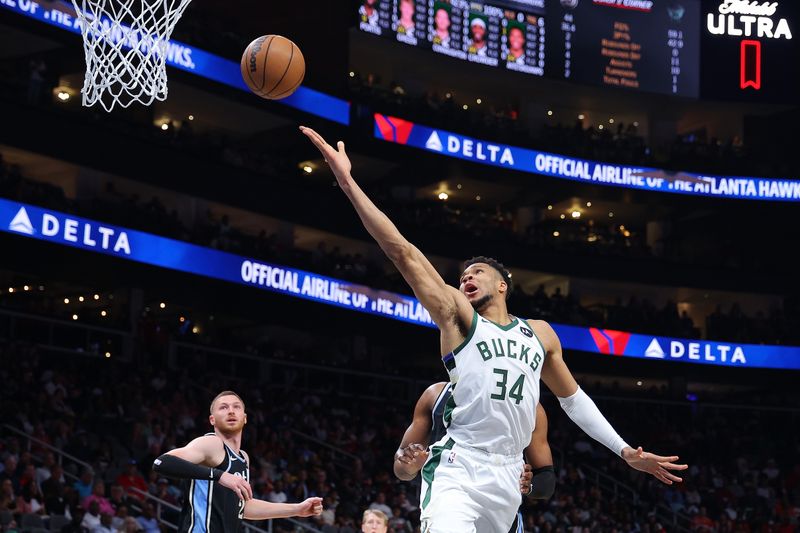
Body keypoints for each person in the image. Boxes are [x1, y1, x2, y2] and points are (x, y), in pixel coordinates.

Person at [299, 126, 688, 533]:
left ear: (503, 284)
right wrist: (346, 180)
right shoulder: (458, 318)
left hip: (507, 472)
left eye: (476, 273)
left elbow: (573, 401)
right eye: (462, 275)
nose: (466, 278)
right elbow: (402, 250)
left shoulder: (540, 333)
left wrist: (624, 451)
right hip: (458, 465)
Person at [152, 390, 323, 532]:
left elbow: (244, 507)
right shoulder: (211, 443)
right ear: (212, 420)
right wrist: (220, 476)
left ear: (245, 417)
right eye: (223, 407)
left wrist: (297, 509)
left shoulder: (243, 457)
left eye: (236, 407)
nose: (231, 411)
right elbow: (161, 462)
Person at [394, 382, 555, 531]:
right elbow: (400, 465)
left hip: (502, 498)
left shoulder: (531, 407)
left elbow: (547, 481)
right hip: (450, 487)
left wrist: (529, 485)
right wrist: (409, 465)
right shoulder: (437, 394)